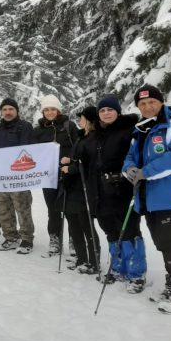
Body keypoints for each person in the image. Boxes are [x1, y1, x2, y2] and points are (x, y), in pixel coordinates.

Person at [123, 84, 171, 313]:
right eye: (142, 104)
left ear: (161, 101)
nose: (147, 107)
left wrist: (145, 172)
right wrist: (130, 170)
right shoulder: (142, 129)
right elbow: (130, 157)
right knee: (162, 243)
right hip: (149, 196)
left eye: (152, 102)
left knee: (170, 242)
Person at [83, 94, 144, 292]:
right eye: (102, 110)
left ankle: (136, 274)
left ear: (118, 111)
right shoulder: (95, 135)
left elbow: (137, 158)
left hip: (123, 190)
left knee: (129, 230)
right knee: (110, 230)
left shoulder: (129, 131)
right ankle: (117, 269)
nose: (106, 113)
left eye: (110, 109)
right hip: (100, 192)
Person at [32, 95, 78, 257]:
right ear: (43, 111)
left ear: (58, 110)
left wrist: (71, 160)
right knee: (52, 209)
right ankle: (55, 240)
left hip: (67, 174)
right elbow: (31, 151)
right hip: (47, 175)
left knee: (70, 210)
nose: (50, 112)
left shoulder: (69, 126)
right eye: (46, 109)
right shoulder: (38, 130)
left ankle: (75, 241)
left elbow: (78, 147)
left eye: (53, 109)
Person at [0, 98, 35, 254]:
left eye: (11, 109)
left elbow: (26, 149)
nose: (7, 112)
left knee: (22, 208)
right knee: (3, 208)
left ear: (17, 111)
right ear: (1, 112)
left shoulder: (25, 127)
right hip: (1, 175)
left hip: (19, 175)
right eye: (5, 109)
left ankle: (27, 239)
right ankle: (11, 237)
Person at [60, 106, 100, 274]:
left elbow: (89, 164)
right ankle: (82, 258)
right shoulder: (81, 136)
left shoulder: (94, 138)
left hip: (84, 188)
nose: (79, 120)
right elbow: (79, 158)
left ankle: (94, 261)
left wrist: (71, 168)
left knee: (86, 225)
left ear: (89, 120)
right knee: (74, 225)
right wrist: (70, 160)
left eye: (82, 117)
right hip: (72, 188)